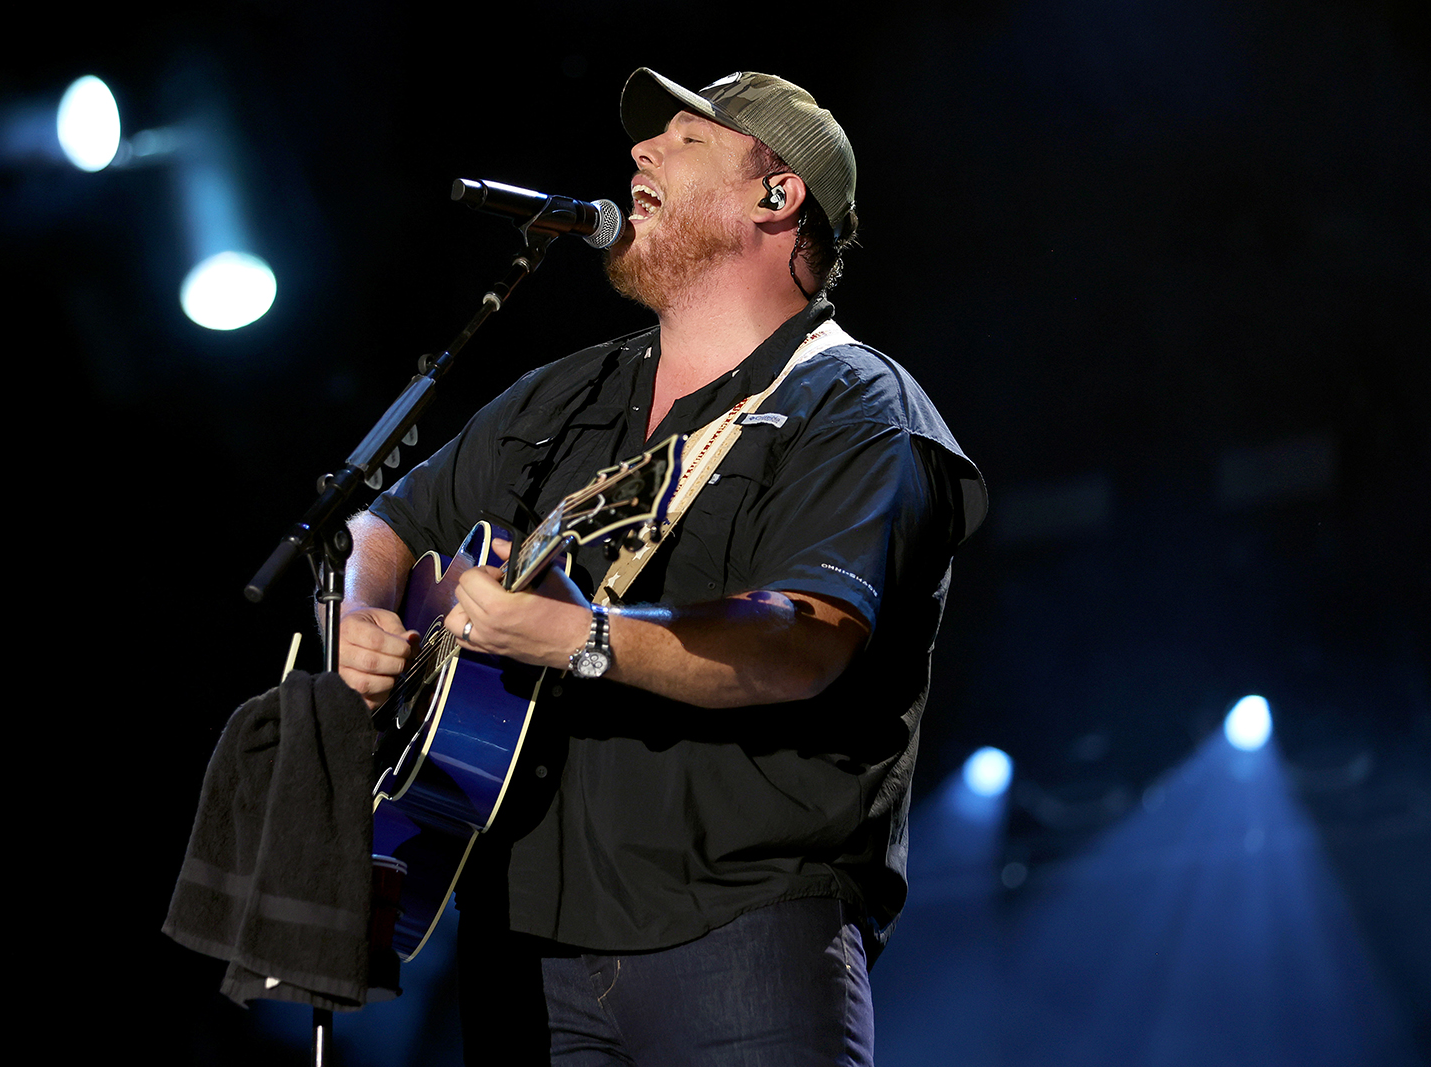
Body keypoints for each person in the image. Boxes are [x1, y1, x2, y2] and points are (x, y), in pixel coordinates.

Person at [336, 68, 986, 1066]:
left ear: (778, 196)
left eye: (687, 140)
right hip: (517, 935)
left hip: (740, 931)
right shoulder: (563, 394)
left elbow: (801, 641)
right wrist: (366, 616)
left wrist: (578, 636)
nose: (639, 151)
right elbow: (382, 524)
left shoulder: (855, 405)